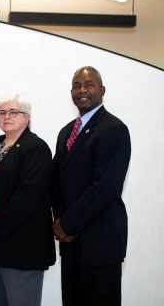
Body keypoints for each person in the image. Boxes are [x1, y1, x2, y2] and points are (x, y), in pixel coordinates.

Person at [52, 66, 131, 306]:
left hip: (101, 243)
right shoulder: (66, 132)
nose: (82, 90)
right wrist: (60, 221)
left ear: (102, 90)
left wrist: (65, 223)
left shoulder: (114, 129)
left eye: (88, 84)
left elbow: (105, 188)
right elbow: (57, 181)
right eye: (76, 85)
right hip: (70, 243)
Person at [0, 94, 56, 306]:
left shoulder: (36, 148)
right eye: (2, 112)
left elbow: (28, 196)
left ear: (27, 117)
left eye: (13, 112)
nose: (7, 116)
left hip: (24, 247)